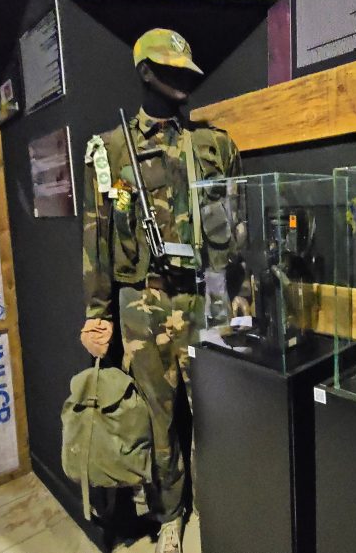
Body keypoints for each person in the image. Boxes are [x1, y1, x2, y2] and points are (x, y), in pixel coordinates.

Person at [79, 28, 242, 553]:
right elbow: (97, 238)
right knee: (158, 420)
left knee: (216, 416)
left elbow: (239, 227)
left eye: (186, 70)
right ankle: (171, 515)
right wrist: (97, 313)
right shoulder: (110, 151)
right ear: (145, 72)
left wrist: (239, 297)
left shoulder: (215, 146)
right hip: (142, 306)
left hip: (205, 299)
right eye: (171, 70)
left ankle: (221, 509)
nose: (184, 80)